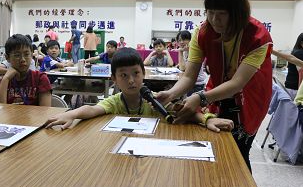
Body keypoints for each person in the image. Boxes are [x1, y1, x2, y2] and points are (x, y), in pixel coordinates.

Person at [156, 0, 273, 172]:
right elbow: (189, 77)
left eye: (221, 14)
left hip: (250, 98)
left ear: (237, 13)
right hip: (218, 92)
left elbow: (237, 83)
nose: (214, 19)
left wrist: (200, 97)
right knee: (213, 142)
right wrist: (170, 94)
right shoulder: (202, 32)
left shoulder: (258, 37)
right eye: (210, 12)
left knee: (238, 151)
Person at [43, 47, 233, 131]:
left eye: (136, 73)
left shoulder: (154, 99)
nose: (131, 80)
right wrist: (71, 114)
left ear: (144, 73)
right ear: (114, 80)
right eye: (123, 75)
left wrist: (206, 119)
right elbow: (92, 109)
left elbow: (185, 114)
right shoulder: (116, 101)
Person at [0, 34, 51, 106]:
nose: (23, 60)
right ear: (7, 58)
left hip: (34, 117)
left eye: (26, 54)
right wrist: (6, 79)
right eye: (17, 55)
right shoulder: (4, 81)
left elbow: (45, 111)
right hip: (9, 117)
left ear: (31, 55)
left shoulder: (40, 78)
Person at [176, 30, 207, 95]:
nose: (181, 42)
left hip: (197, 85)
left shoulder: (194, 51)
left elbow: (183, 68)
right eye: (179, 40)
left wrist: (180, 52)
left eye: (184, 39)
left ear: (191, 40)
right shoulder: (185, 51)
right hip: (191, 83)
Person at [282, 33, 303, 99]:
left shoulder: (296, 51)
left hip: (292, 88)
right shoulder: (300, 53)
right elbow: (301, 73)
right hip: (295, 89)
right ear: (302, 43)